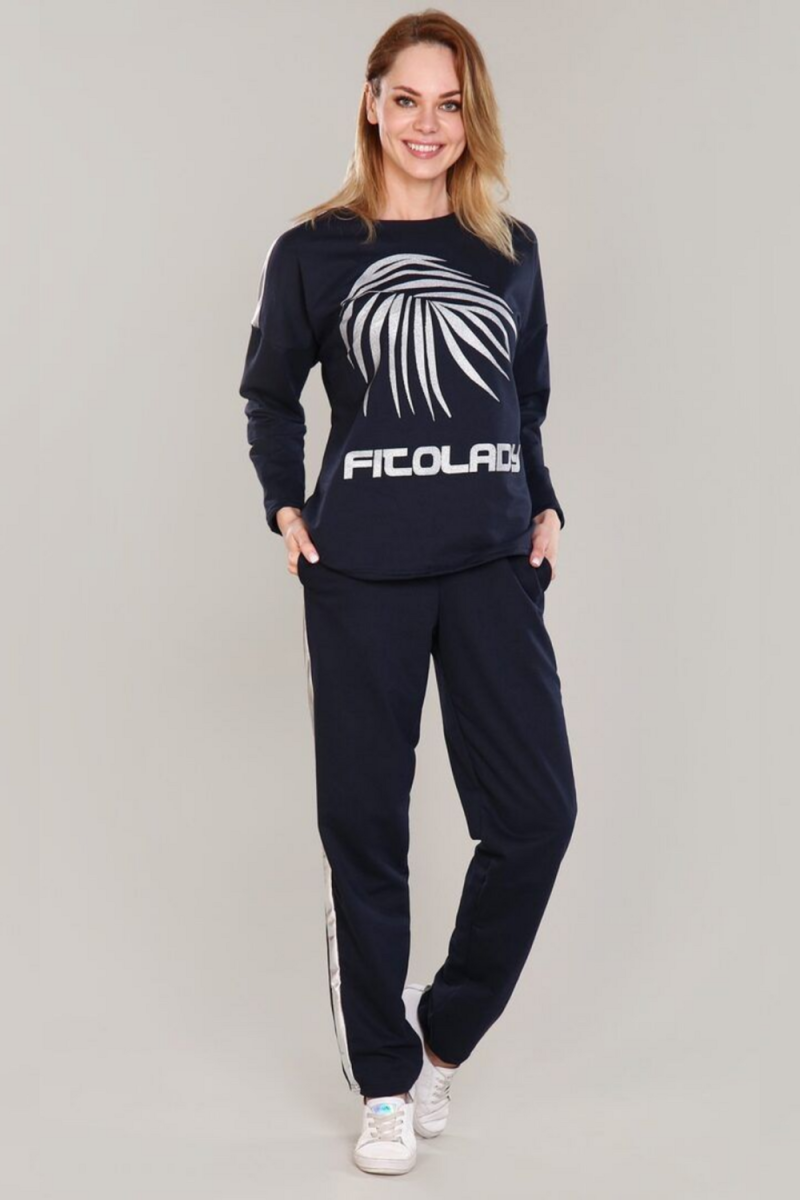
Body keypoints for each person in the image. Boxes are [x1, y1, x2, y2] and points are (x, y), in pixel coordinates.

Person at [238, 9, 578, 1177]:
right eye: (406, 99)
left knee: (534, 819)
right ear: (371, 104)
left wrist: (542, 505)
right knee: (366, 830)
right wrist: (284, 506)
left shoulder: (509, 250)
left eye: (449, 104)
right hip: (361, 573)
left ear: (468, 119)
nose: (426, 124)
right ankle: (384, 1083)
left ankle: (441, 1040)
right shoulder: (313, 252)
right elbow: (269, 393)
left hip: (489, 564)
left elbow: (522, 402)